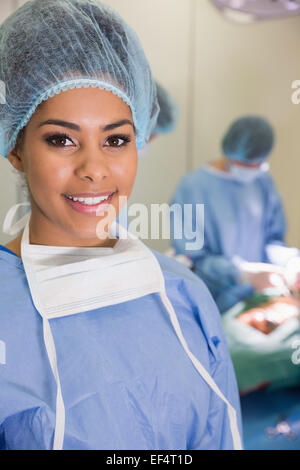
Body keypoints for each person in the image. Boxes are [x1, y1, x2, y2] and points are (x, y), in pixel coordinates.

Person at [0, 0, 242, 450]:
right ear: (15, 148)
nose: (95, 168)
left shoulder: (185, 296)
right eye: (61, 139)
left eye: (116, 139)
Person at [170, 116, 300, 313]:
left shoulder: (262, 182)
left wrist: (291, 262)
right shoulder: (193, 188)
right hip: (211, 301)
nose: (251, 170)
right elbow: (192, 259)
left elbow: (273, 240)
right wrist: (241, 273)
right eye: (245, 164)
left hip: (259, 301)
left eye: (257, 164)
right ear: (230, 152)